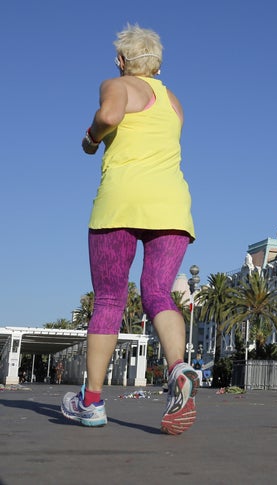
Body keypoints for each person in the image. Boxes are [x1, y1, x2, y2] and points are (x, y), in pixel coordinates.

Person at [60, 24, 198, 435]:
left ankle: (92, 402)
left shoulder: (116, 85)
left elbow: (108, 116)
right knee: (158, 291)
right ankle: (178, 369)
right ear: (156, 63)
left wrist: (91, 138)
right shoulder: (173, 101)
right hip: (172, 207)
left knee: (108, 299)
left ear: (122, 61)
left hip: (120, 204)